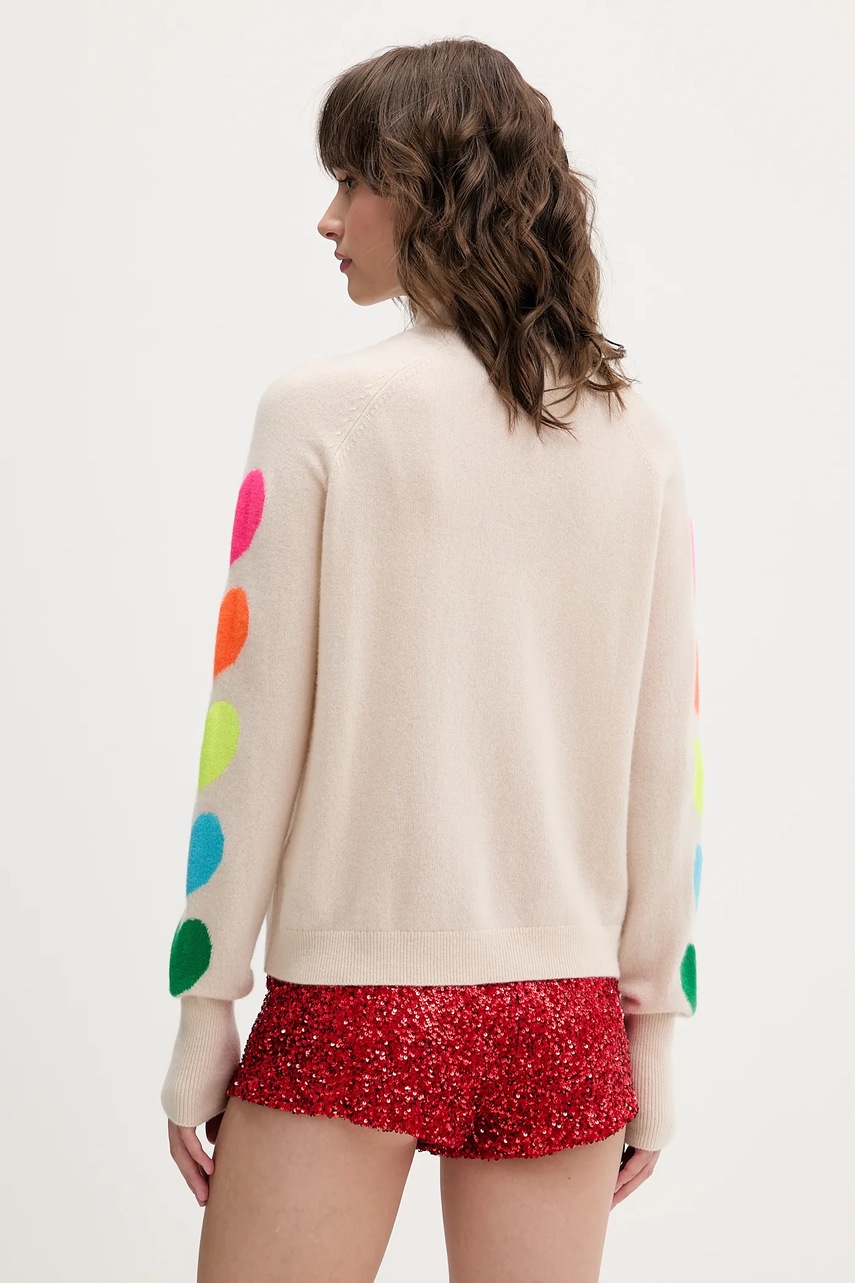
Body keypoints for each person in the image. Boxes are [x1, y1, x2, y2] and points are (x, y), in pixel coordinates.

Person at [160, 36, 703, 1283]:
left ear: (428, 191)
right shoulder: (639, 437)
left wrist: (205, 1003)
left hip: (353, 997)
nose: (329, 217)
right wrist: (654, 1033)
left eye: (354, 180)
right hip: (561, 1015)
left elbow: (248, 734)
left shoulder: (317, 412)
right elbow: (665, 762)